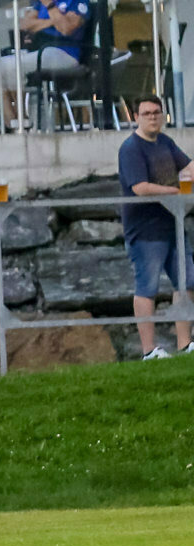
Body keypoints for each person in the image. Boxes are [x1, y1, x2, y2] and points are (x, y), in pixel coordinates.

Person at [117, 95, 194, 360]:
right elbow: (140, 188)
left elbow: (188, 165)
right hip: (145, 230)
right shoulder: (130, 149)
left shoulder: (166, 142)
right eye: (147, 113)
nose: (152, 117)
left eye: (156, 112)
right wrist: (176, 191)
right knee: (147, 287)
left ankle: (185, 344)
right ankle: (149, 350)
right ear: (136, 117)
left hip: (173, 225)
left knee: (188, 282)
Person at [0, 0, 89, 128]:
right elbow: (24, 24)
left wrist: (50, 7)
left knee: (13, 67)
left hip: (64, 52)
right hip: (38, 51)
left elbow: (66, 29)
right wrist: (55, 21)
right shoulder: (41, 3)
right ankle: (12, 121)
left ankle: (22, 118)